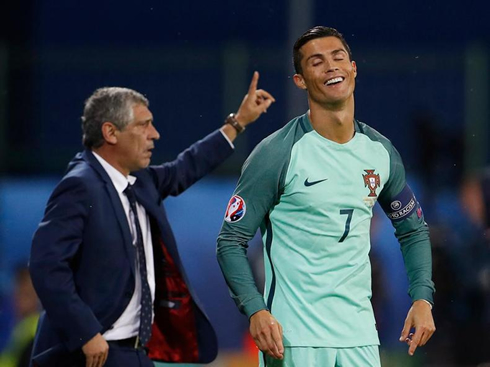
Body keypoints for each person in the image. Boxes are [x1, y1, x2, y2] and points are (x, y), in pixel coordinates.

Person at [217, 26, 436, 367]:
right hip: (293, 340)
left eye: (338, 58)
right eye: (317, 62)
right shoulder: (276, 154)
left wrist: (423, 298)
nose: (331, 67)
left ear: (353, 68)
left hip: (360, 338)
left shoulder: (380, 152)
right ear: (300, 81)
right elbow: (230, 240)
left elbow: (413, 229)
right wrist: (256, 309)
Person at [29, 72, 275, 367]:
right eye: (143, 125)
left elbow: (186, 167)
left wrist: (238, 122)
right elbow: (47, 268)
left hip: (135, 353)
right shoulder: (80, 186)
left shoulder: (138, 181)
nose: (154, 134)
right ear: (110, 132)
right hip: (92, 353)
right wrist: (85, 333)